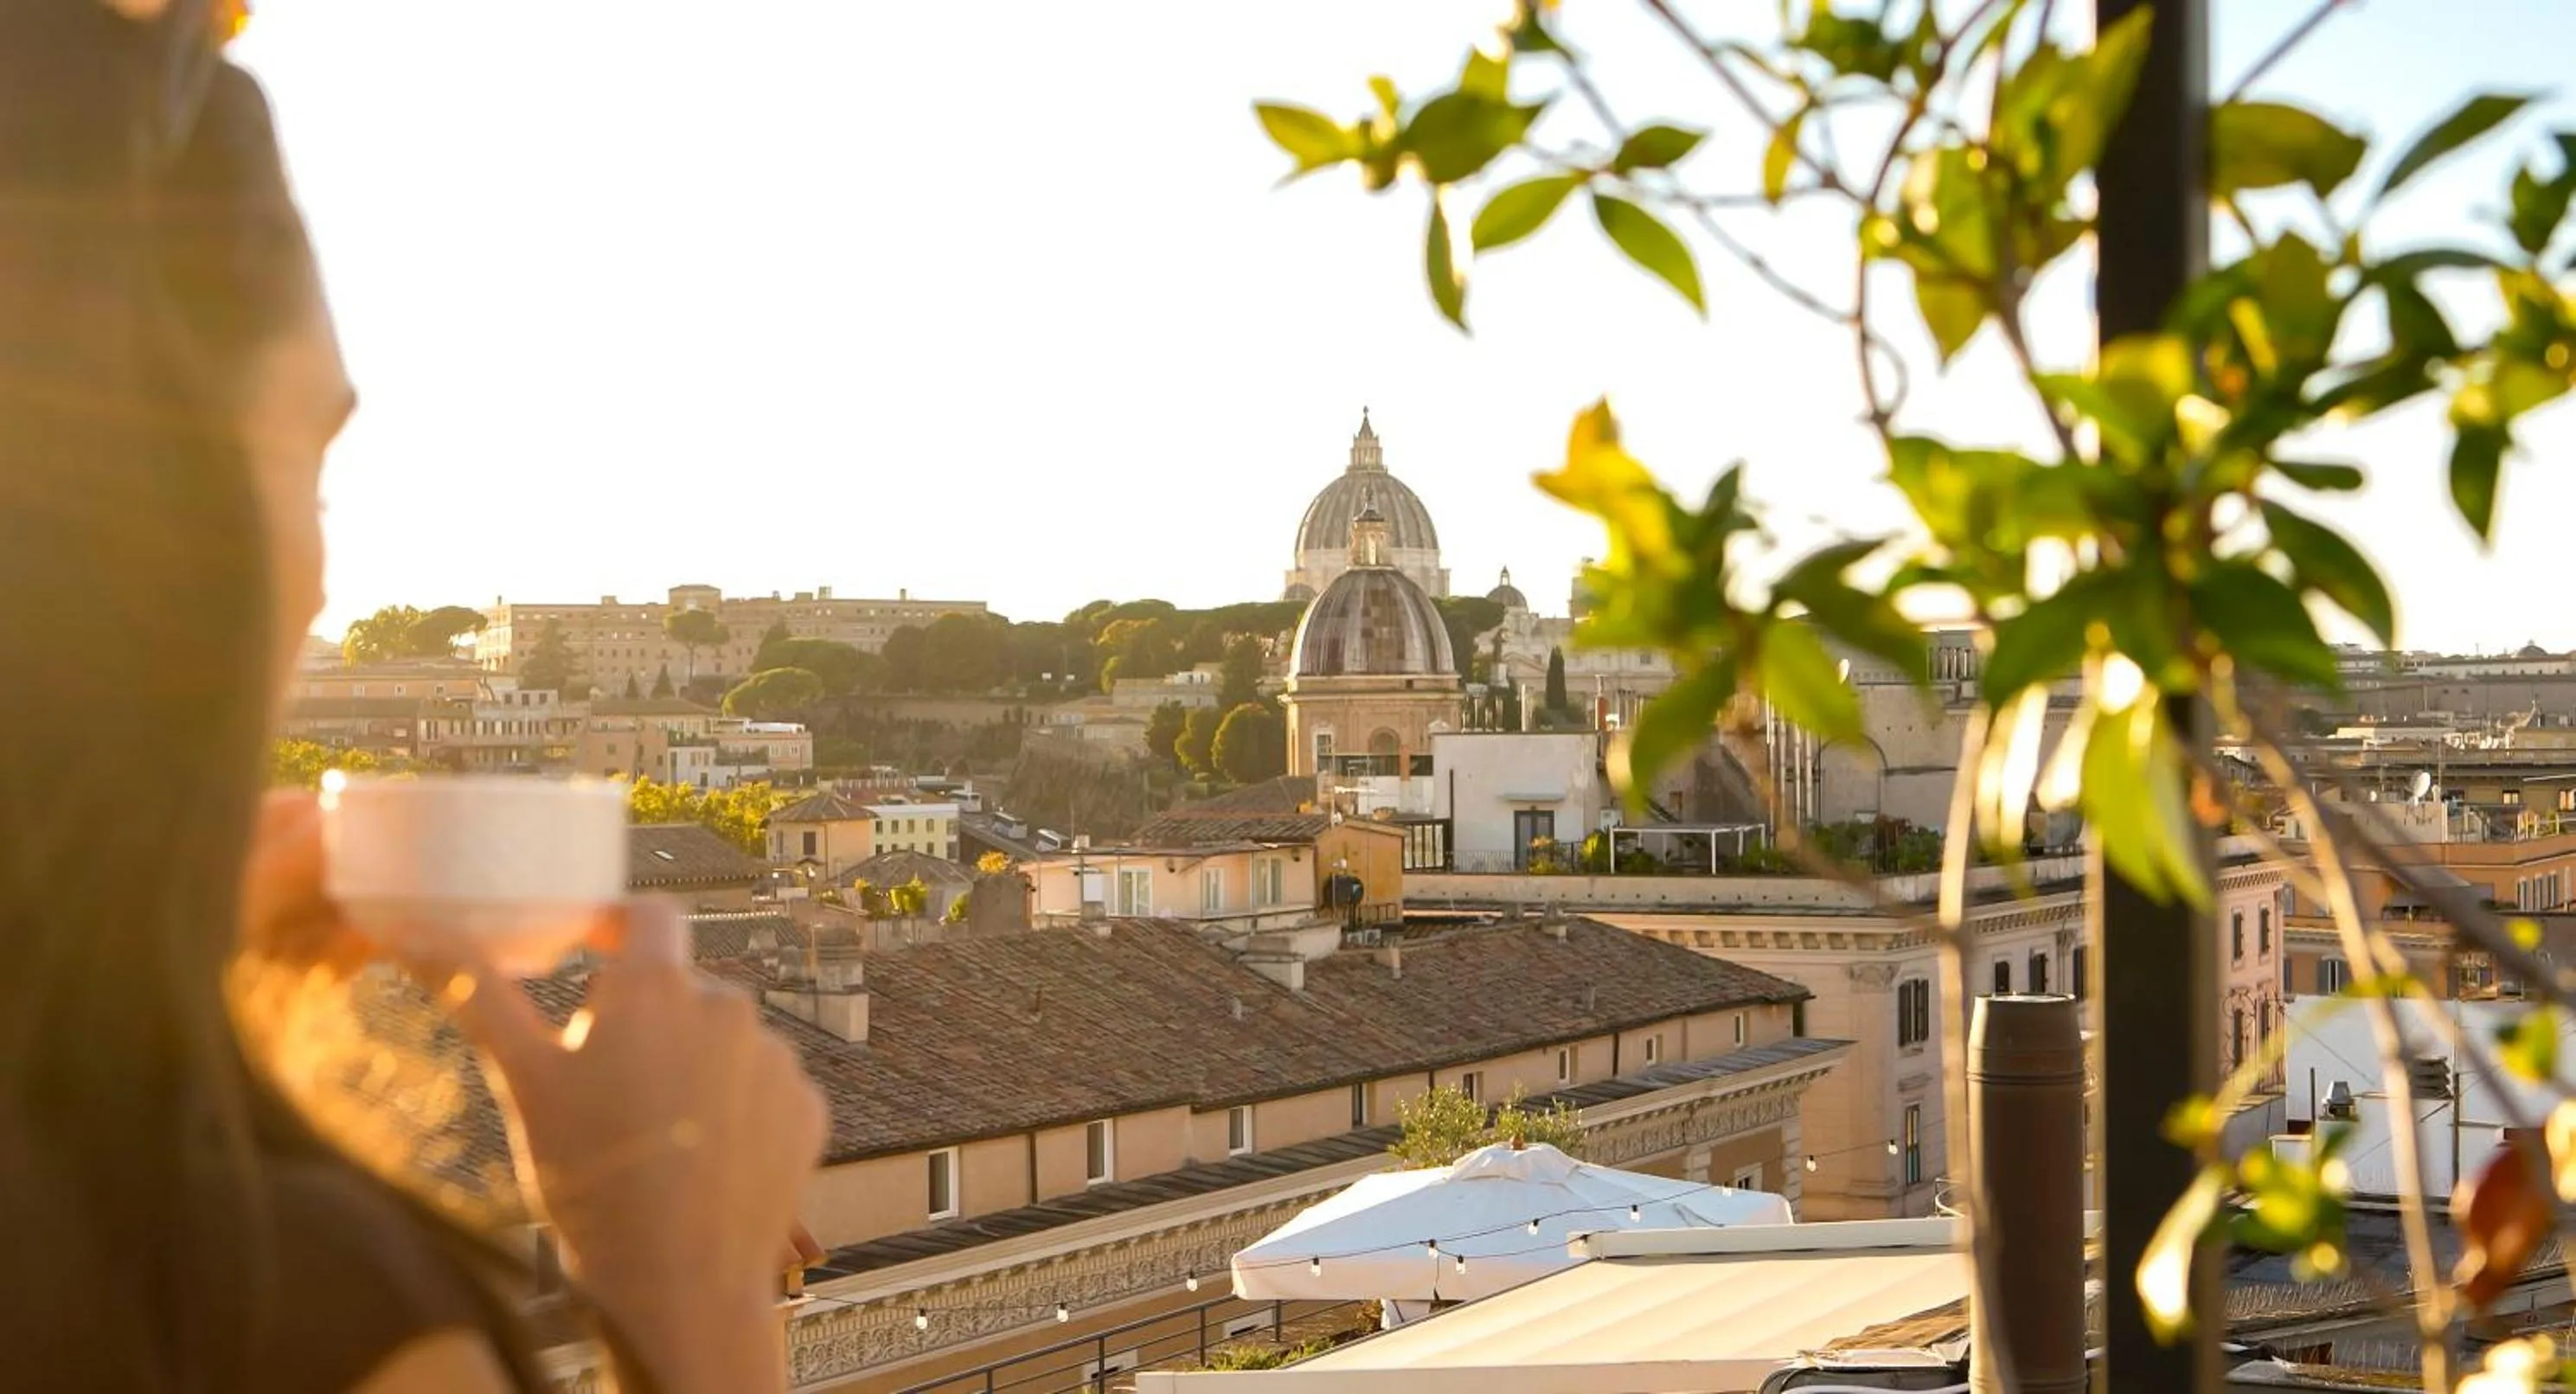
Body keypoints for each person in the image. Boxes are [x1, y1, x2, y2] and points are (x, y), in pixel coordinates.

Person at [0, 3, 827, 1391]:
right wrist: (687, 1301)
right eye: (303, 468)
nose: (318, 580)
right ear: (146, 525)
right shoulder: (276, 1301)